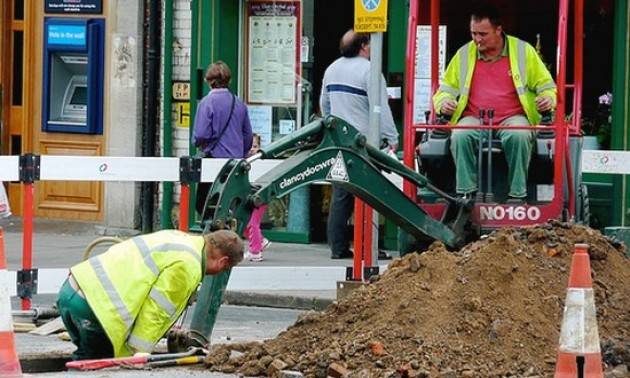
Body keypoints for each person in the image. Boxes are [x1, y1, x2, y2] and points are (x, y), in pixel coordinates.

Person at [432, 3, 556, 203]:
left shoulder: (524, 52)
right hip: (474, 118)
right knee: (460, 135)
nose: (477, 39)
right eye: (473, 33)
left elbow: (547, 86)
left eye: (483, 34)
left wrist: (548, 99)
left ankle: (517, 196)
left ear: (499, 30)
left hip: (513, 117)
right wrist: (444, 103)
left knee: (520, 135)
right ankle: (466, 194)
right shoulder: (464, 54)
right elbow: (444, 90)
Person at [56, 229, 244, 360]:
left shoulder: (180, 238)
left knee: (86, 357)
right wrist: (139, 354)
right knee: (98, 366)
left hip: (72, 290)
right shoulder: (189, 266)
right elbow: (155, 310)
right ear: (223, 262)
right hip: (95, 308)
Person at [320, 30, 399, 259]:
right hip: (364, 142)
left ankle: (338, 247)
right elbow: (380, 108)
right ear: (364, 45)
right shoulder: (370, 71)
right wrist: (391, 137)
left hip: (340, 141)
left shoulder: (331, 69)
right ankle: (368, 248)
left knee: (341, 195)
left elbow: (324, 105)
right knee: (368, 194)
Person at [193, 61, 253, 217]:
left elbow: (200, 135)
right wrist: (241, 151)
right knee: (231, 202)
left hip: (214, 161)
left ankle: (217, 235)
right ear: (229, 80)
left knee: (204, 205)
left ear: (208, 81)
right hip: (235, 163)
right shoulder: (239, 103)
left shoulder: (206, 103)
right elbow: (247, 136)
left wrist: (198, 144)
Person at [244, 134, 270, 262]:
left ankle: (255, 251)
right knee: (244, 223)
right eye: (249, 146)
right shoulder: (244, 162)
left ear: (259, 147)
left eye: (255, 146)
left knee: (252, 223)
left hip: (260, 196)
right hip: (250, 196)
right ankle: (260, 241)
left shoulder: (262, 162)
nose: (251, 149)